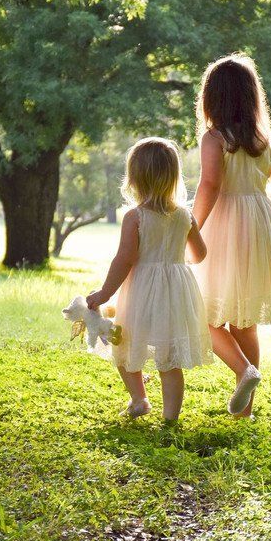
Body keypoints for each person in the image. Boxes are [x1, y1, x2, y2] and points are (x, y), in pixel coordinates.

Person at [192, 54, 271, 418]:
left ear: (211, 98)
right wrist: (263, 214)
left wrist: (191, 226)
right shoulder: (264, 142)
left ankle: (244, 371)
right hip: (260, 232)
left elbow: (210, 185)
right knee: (244, 320)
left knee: (201, 311)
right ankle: (246, 410)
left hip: (222, 228)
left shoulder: (214, 139)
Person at [86, 137, 213, 421]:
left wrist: (104, 294)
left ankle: (139, 399)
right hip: (176, 291)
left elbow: (125, 259)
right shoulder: (185, 216)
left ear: (134, 179)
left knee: (125, 344)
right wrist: (174, 262)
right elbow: (201, 254)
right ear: (174, 177)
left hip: (142, 289)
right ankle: (170, 418)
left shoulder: (136, 217)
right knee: (169, 359)